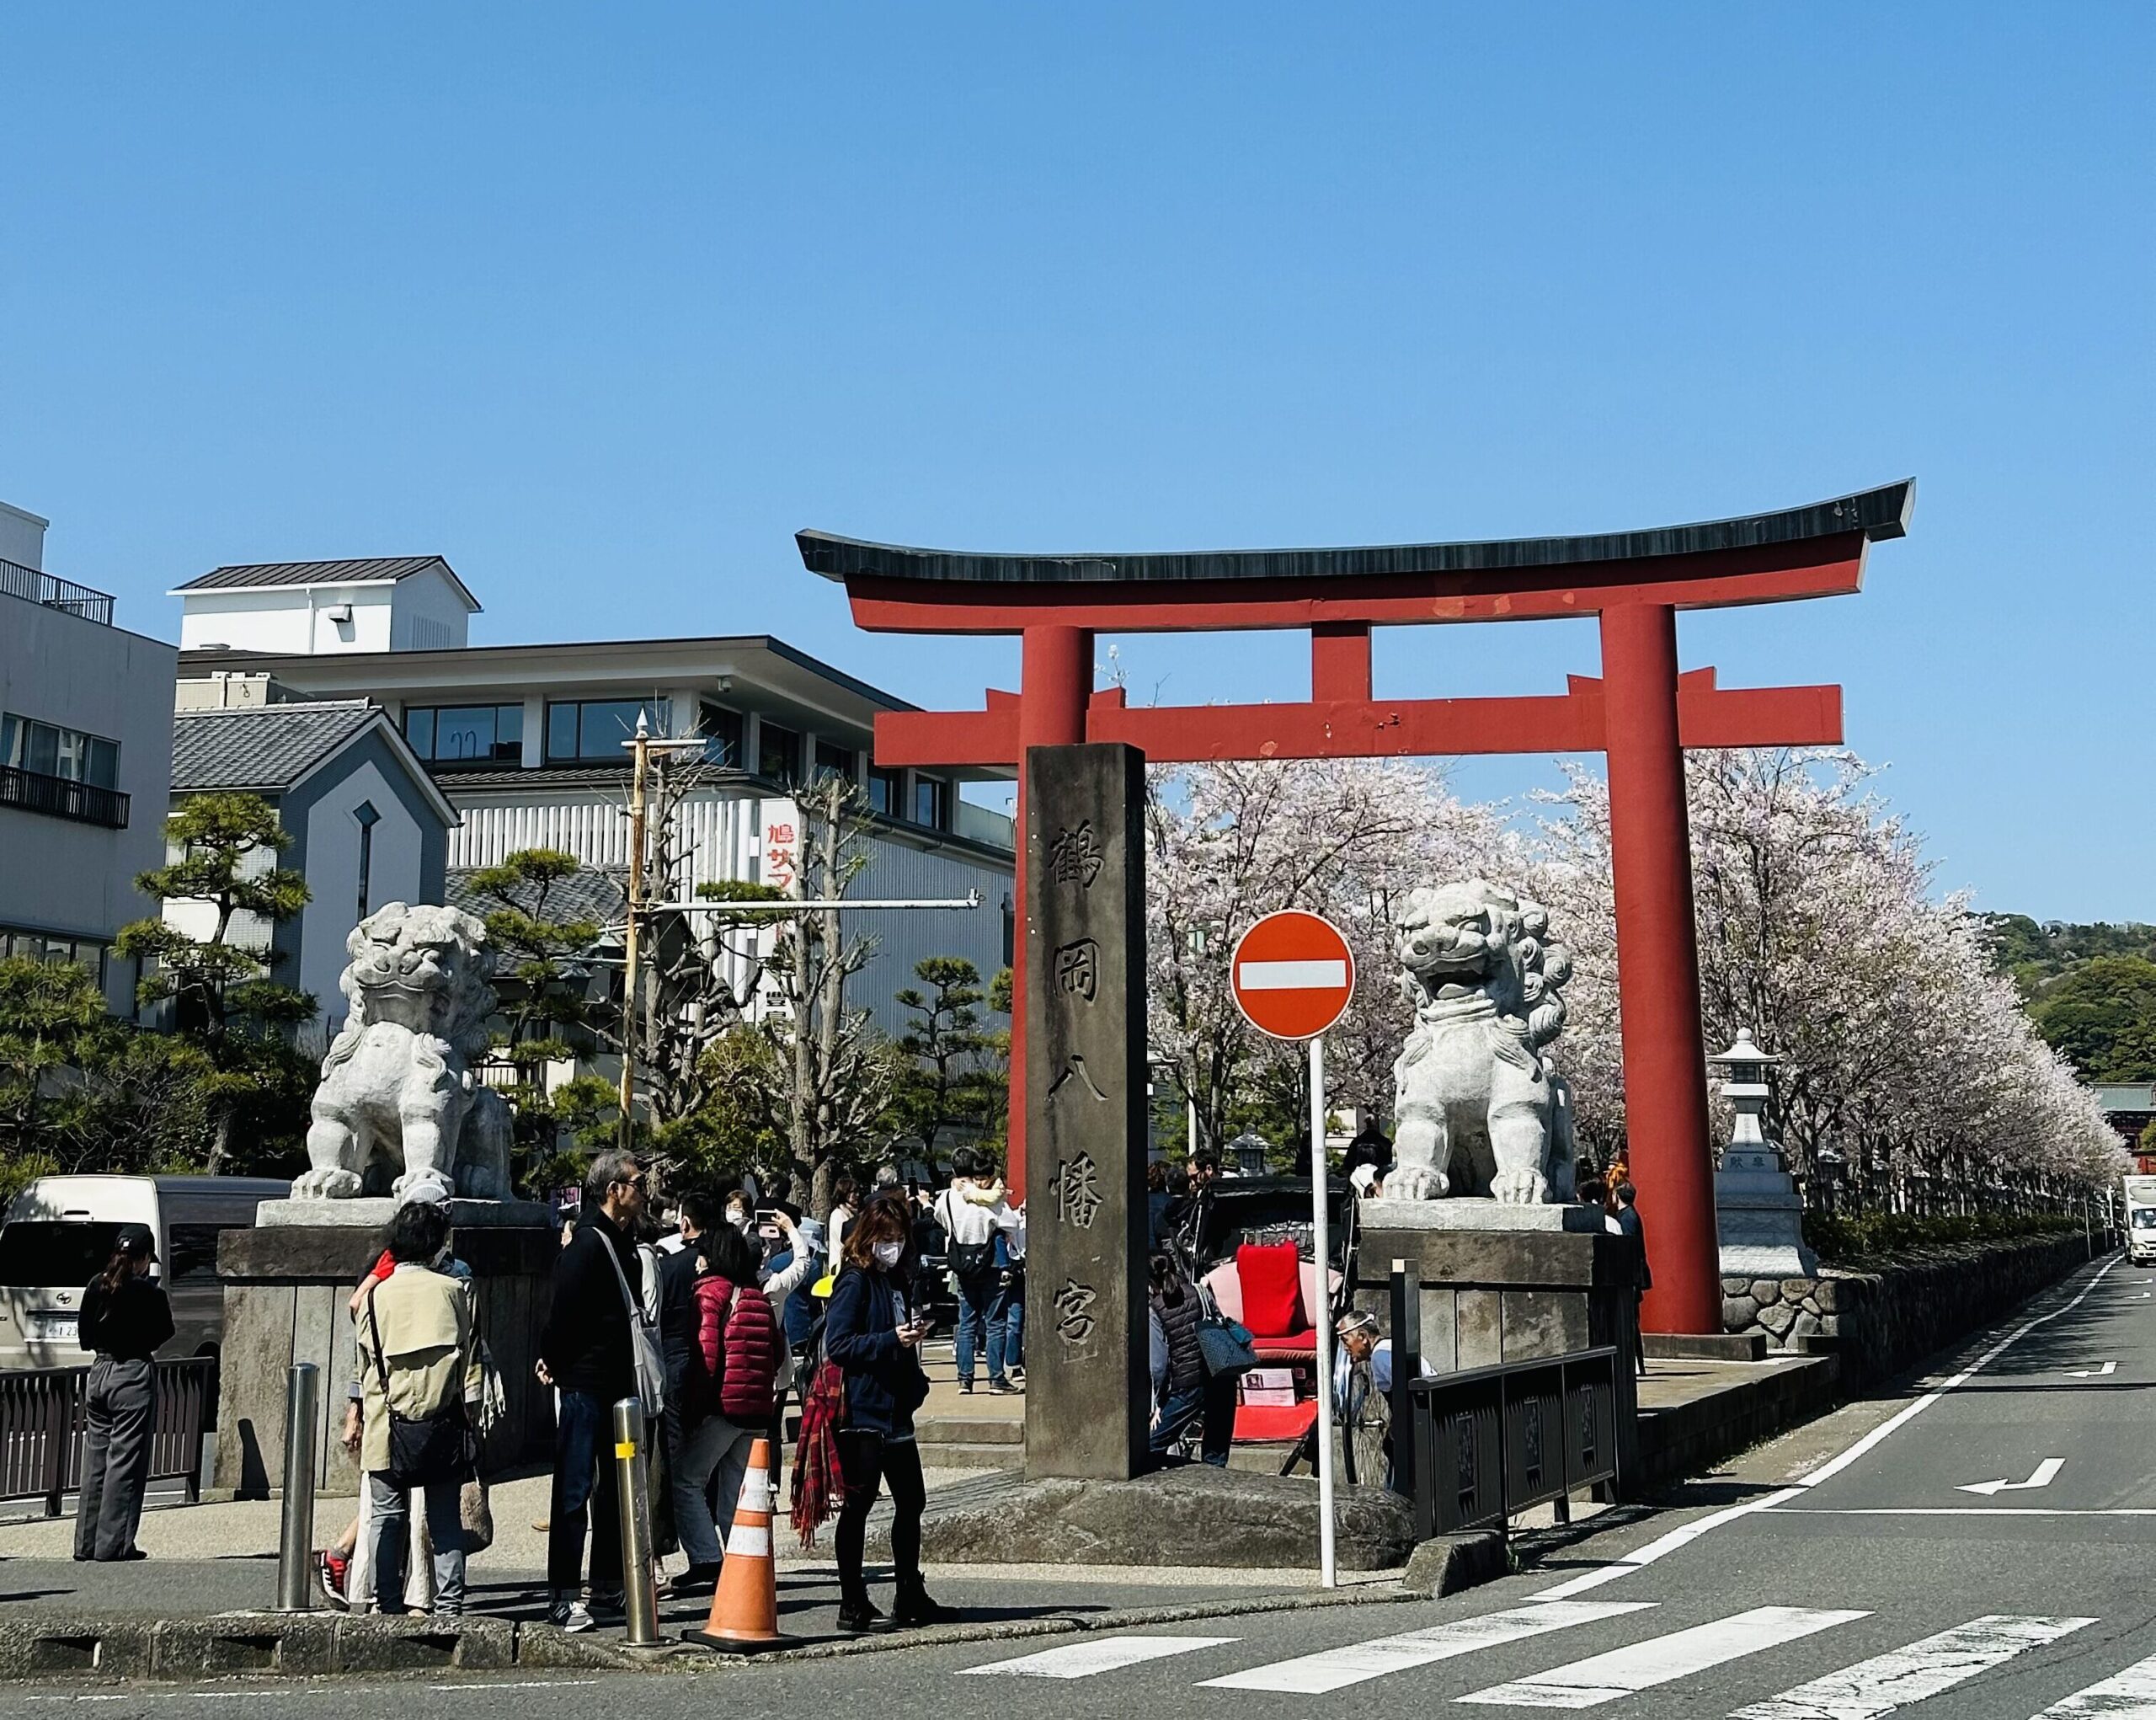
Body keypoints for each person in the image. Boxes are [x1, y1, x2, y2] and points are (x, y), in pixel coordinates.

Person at [536, 1149, 648, 1632]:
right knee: (574, 1489)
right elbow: (564, 1313)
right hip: (584, 1383)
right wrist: (553, 1361)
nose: (643, 1191)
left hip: (617, 1384)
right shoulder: (585, 1244)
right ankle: (563, 1593)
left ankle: (606, 1583)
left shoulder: (626, 1242)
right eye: (637, 1183)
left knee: (614, 1492)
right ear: (614, 1191)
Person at [355, 1201, 483, 1617]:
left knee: (386, 1517)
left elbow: (365, 1367)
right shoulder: (452, 1291)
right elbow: (468, 1360)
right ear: (437, 1243)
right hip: (443, 1419)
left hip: (386, 1423)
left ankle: (386, 1602)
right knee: (444, 1518)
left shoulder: (373, 1298)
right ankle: (449, 1605)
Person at [823, 1193, 941, 1632]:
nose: (892, 1246)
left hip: (896, 1407)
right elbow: (840, 1346)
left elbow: (899, 1338)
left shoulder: (898, 1281)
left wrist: (915, 1377)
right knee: (859, 1504)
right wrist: (892, 1340)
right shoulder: (855, 1280)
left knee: (912, 1501)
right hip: (861, 1410)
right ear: (867, 1237)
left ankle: (909, 1590)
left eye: (898, 1238)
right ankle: (852, 1600)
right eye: (884, 1238)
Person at [671, 1222, 779, 1589]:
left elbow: (707, 1356)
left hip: (722, 1407)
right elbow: (777, 1354)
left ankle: (705, 1557)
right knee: (735, 1490)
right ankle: (742, 1564)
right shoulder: (757, 1296)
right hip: (758, 1409)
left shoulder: (709, 1293)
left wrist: (693, 1408)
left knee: (687, 1479)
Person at [73, 1224, 173, 1562]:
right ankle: (114, 1544)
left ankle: (86, 1543)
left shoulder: (95, 1285)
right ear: (144, 1258)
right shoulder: (150, 1294)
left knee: (96, 1460)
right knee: (125, 1463)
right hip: (132, 1373)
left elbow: (85, 1337)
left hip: (99, 1372)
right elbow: (163, 1333)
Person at [937, 1149, 1019, 1395]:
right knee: (995, 1322)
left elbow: (941, 1220)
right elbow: (1011, 1223)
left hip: (962, 1266)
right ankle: (996, 1379)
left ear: (953, 1171)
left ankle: (965, 1379)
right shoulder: (987, 1198)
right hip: (990, 1265)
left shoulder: (947, 1198)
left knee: (967, 1322)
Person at [1145, 1253, 1232, 1468]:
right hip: (1222, 1374)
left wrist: (1158, 1402)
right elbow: (1218, 1323)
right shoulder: (1201, 1292)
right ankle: (1215, 1490)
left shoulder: (1155, 1309)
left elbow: (1158, 1365)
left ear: (1148, 1281)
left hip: (1188, 1384)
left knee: (1150, 1445)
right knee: (1216, 1452)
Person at [1613, 1182, 1651, 1378]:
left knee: (1630, 1321)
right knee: (1631, 1320)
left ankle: (1636, 1362)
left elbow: (1629, 1248)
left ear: (1617, 1196)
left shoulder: (1627, 1218)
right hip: (1634, 1273)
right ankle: (1638, 1363)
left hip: (1630, 1275)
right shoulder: (1629, 1215)